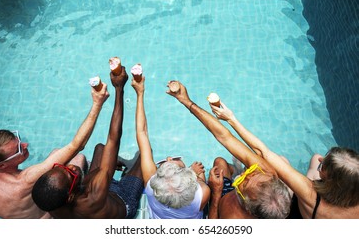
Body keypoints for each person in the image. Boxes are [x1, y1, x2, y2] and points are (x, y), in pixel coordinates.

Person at [210, 101, 359, 219]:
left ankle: (239, 172)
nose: (321, 158)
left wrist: (231, 119)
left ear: (330, 180)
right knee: (313, 159)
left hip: (296, 215)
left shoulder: (309, 193)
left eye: (323, 166)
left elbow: (264, 152)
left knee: (279, 163)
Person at [166, 81, 291, 219]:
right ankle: (234, 171)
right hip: (237, 196)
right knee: (220, 162)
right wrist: (187, 102)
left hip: (220, 200)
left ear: (248, 208)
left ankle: (231, 174)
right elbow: (225, 137)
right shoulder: (267, 174)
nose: (247, 174)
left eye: (244, 182)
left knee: (220, 166)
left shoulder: (232, 218)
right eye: (252, 173)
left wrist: (216, 192)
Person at [32, 67, 144, 219]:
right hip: (123, 200)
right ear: (70, 196)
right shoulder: (93, 198)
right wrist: (119, 89)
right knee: (144, 154)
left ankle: (113, 166)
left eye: (63, 167)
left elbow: (80, 147)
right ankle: (124, 173)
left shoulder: (53, 203)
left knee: (99, 149)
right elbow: (113, 139)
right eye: (70, 174)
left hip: (102, 189)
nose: (71, 166)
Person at [0, 82, 109, 219]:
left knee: (57, 153)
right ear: (1, 165)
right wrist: (97, 104)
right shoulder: (25, 180)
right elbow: (76, 145)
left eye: (19, 140)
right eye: (19, 148)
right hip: (47, 219)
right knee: (78, 159)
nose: (25, 145)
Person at [131, 75, 210, 219]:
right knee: (202, 172)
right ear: (188, 177)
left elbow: (141, 133)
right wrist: (197, 174)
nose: (168, 158)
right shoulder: (202, 194)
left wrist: (140, 93)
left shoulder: (151, 186)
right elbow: (200, 184)